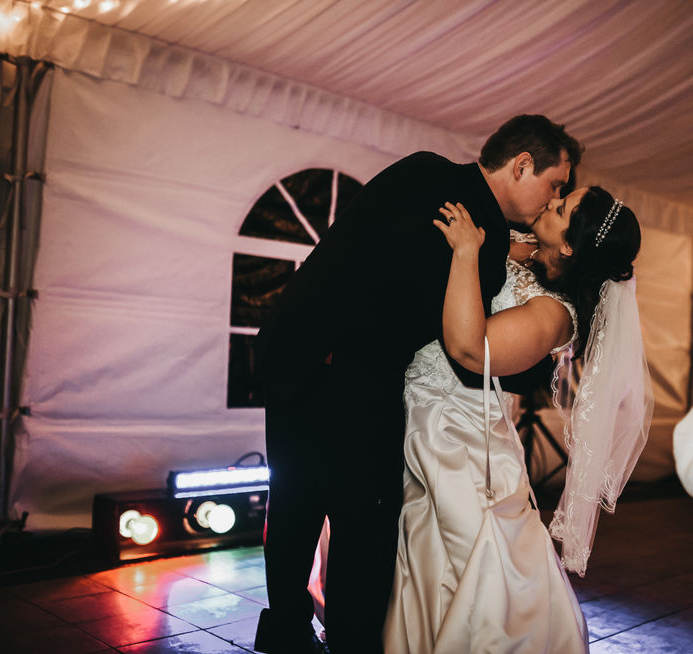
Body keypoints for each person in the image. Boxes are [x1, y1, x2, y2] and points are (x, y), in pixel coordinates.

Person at [253, 115, 582, 654]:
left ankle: (284, 630)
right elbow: (464, 346)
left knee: (294, 503)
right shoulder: (479, 233)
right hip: (353, 379)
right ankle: (352, 645)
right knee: (364, 526)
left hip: (294, 351)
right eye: (554, 184)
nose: (554, 198)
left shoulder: (424, 170)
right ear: (522, 166)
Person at [383, 188, 653, 653]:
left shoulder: (554, 315)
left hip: (460, 437)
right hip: (422, 411)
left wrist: (466, 252)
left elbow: (470, 349)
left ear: (568, 245)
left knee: (468, 567)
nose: (551, 203)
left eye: (561, 209)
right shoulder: (524, 243)